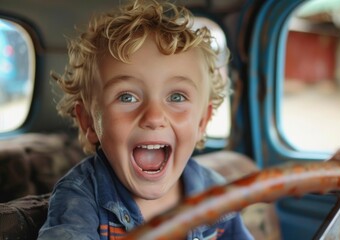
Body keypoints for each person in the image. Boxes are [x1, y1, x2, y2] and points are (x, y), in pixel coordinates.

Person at [37, 0, 253, 239]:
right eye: (127, 97)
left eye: (177, 96)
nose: (154, 117)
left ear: (202, 122)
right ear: (89, 122)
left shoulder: (216, 194)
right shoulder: (80, 197)